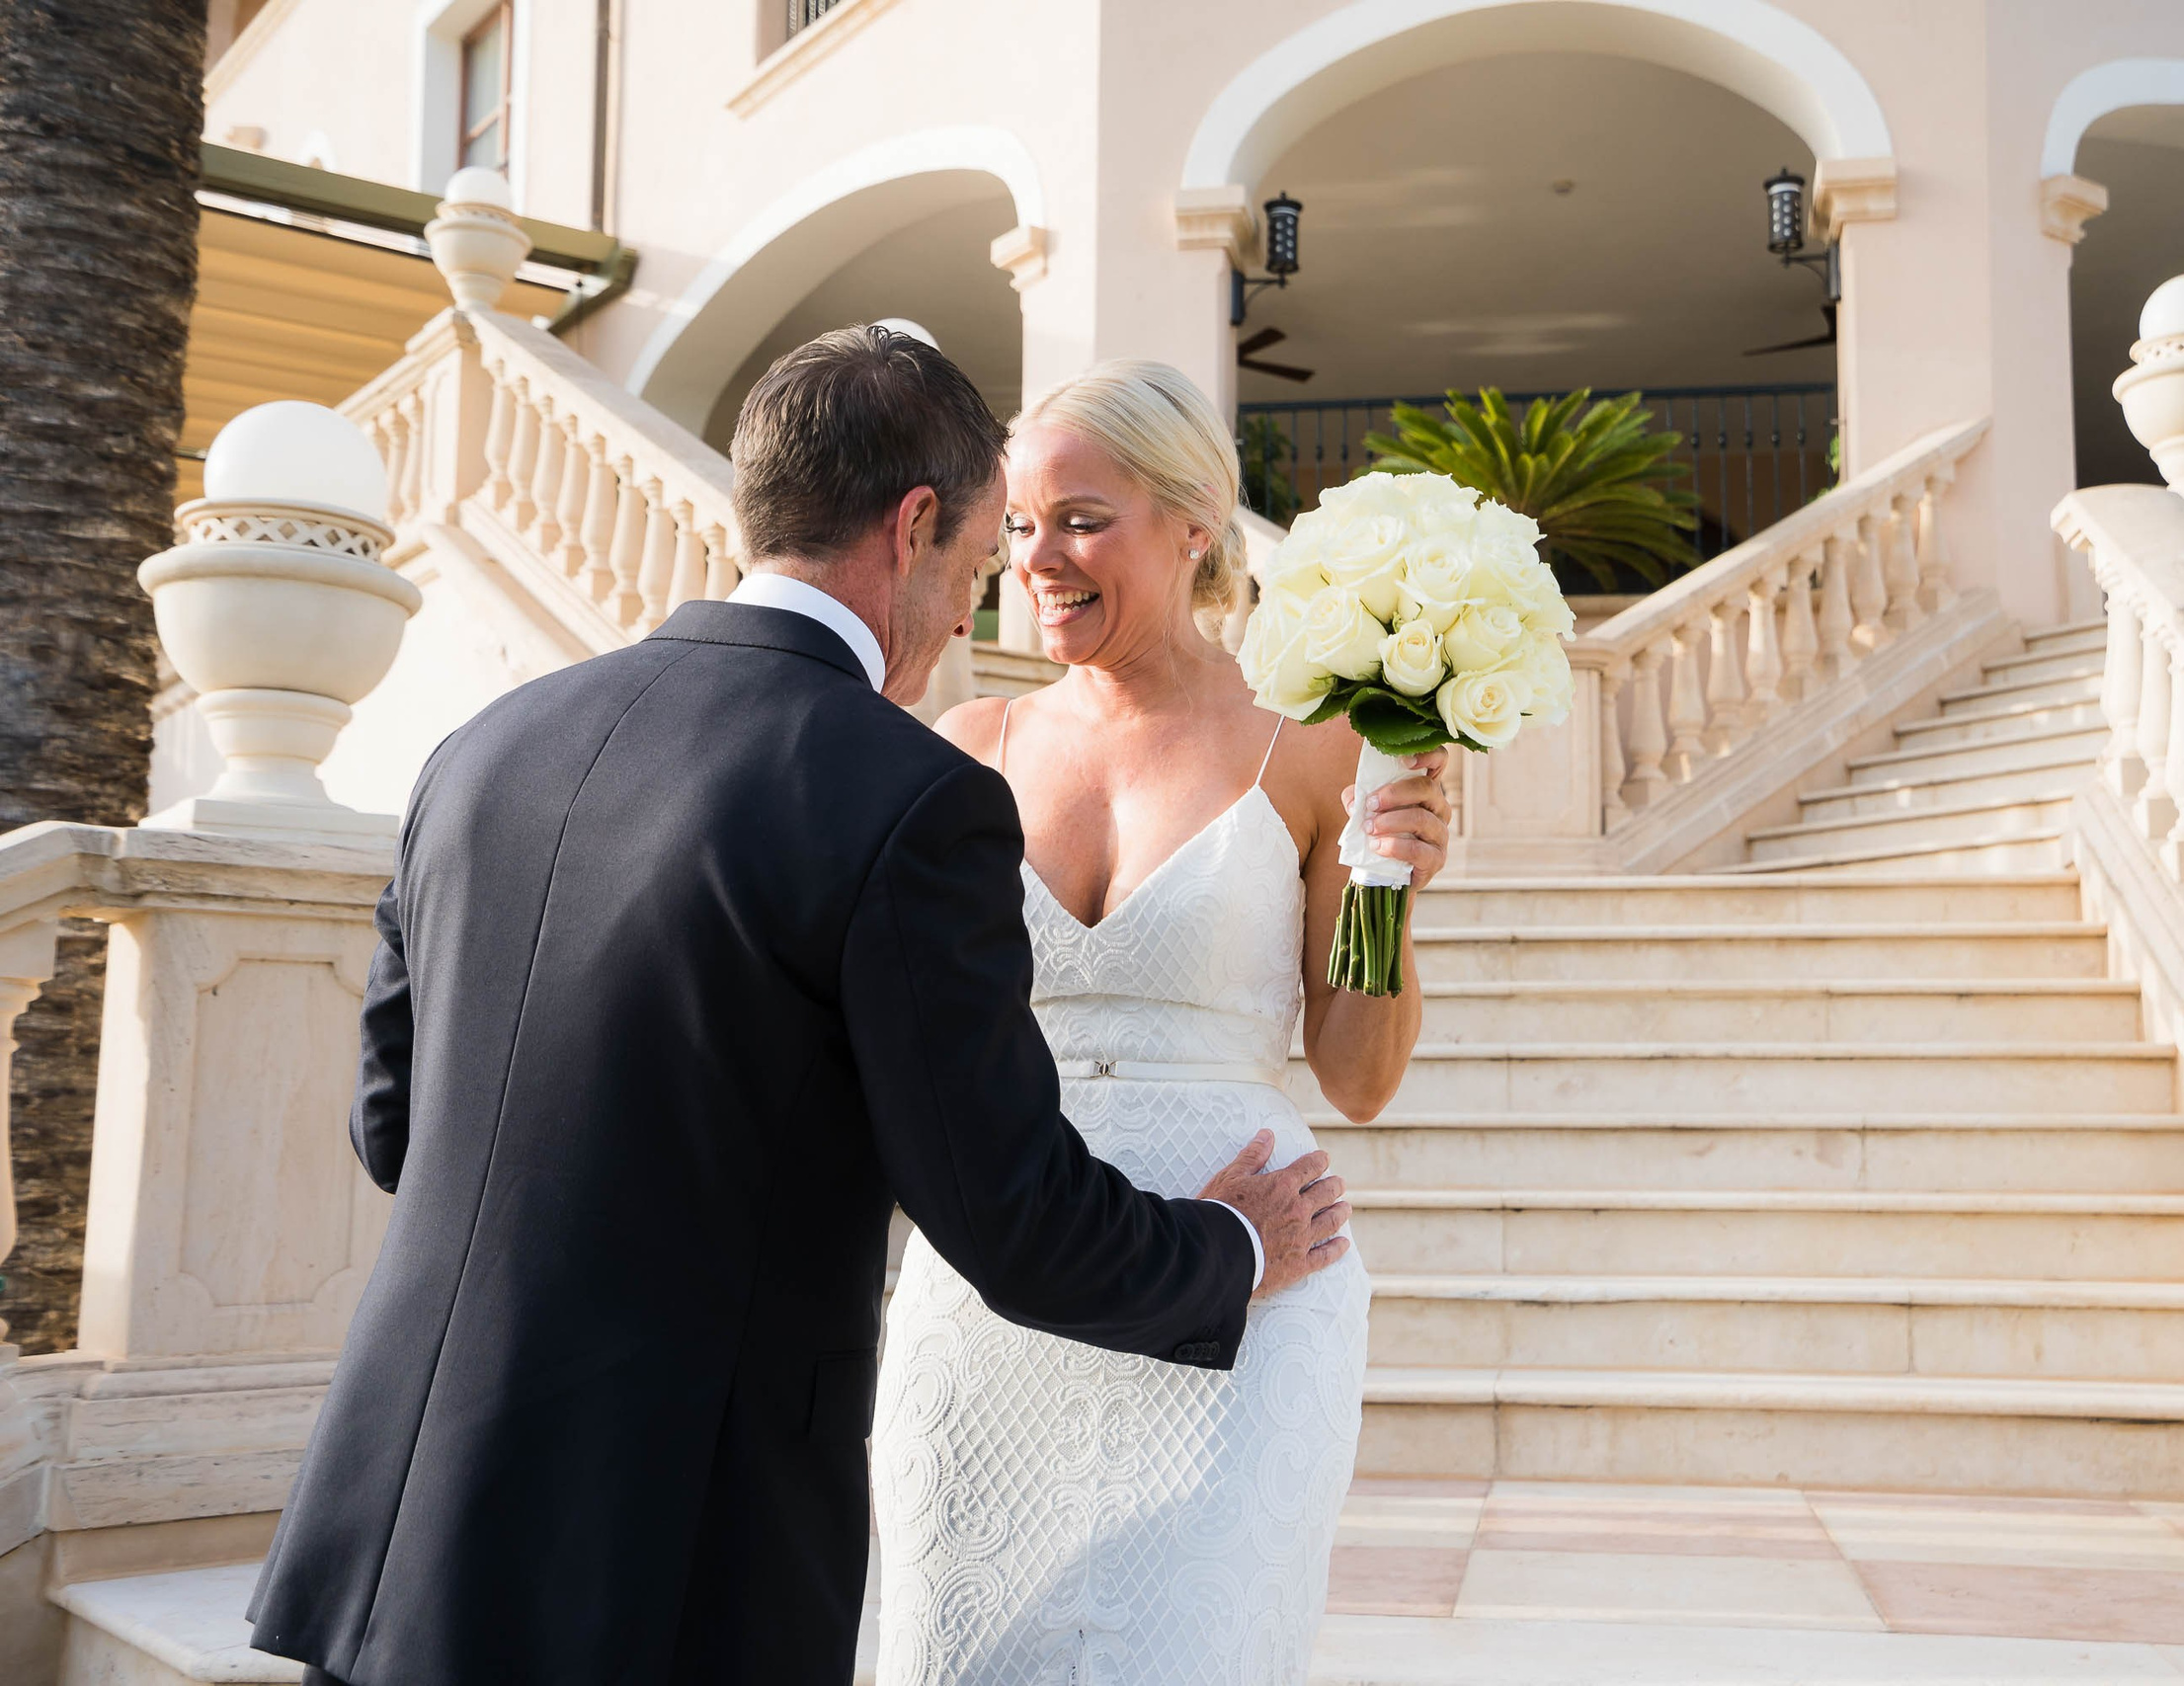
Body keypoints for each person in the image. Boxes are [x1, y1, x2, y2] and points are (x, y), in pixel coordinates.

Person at [247, 328, 1353, 1686]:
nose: (974, 611)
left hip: (394, 1531)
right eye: (982, 550)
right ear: (914, 526)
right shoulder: (910, 791)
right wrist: (1230, 1250)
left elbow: (394, 1130)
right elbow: (1004, 1215)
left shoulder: (481, 751)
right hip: (675, 1546)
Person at [872, 360, 1452, 1685]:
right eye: (1018, 526)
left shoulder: (1310, 746)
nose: (1039, 560)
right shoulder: (969, 745)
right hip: (992, 1285)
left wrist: (1384, 891)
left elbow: (1358, 1076)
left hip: (1257, 1289)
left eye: (1081, 519)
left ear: (1195, 521)